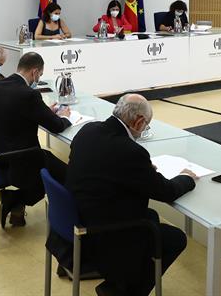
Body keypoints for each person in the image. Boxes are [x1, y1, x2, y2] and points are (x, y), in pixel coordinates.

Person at [54, 94, 197, 296]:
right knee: (175, 239)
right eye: (146, 125)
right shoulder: (130, 151)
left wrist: (142, 170)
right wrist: (187, 178)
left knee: (151, 217)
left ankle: (118, 282)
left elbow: (103, 166)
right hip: (101, 233)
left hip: (77, 219)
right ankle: (123, 292)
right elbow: (166, 192)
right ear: (138, 122)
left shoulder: (89, 130)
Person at [0, 52, 73, 228]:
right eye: (39, 74)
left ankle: (16, 203)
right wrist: (66, 117)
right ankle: (14, 199)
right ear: (34, 72)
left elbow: (18, 112)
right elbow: (56, 126)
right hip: (21, 156)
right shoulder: (28, 94)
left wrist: (45, 111)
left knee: (47, 169)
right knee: (65, 174)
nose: (38, 78)